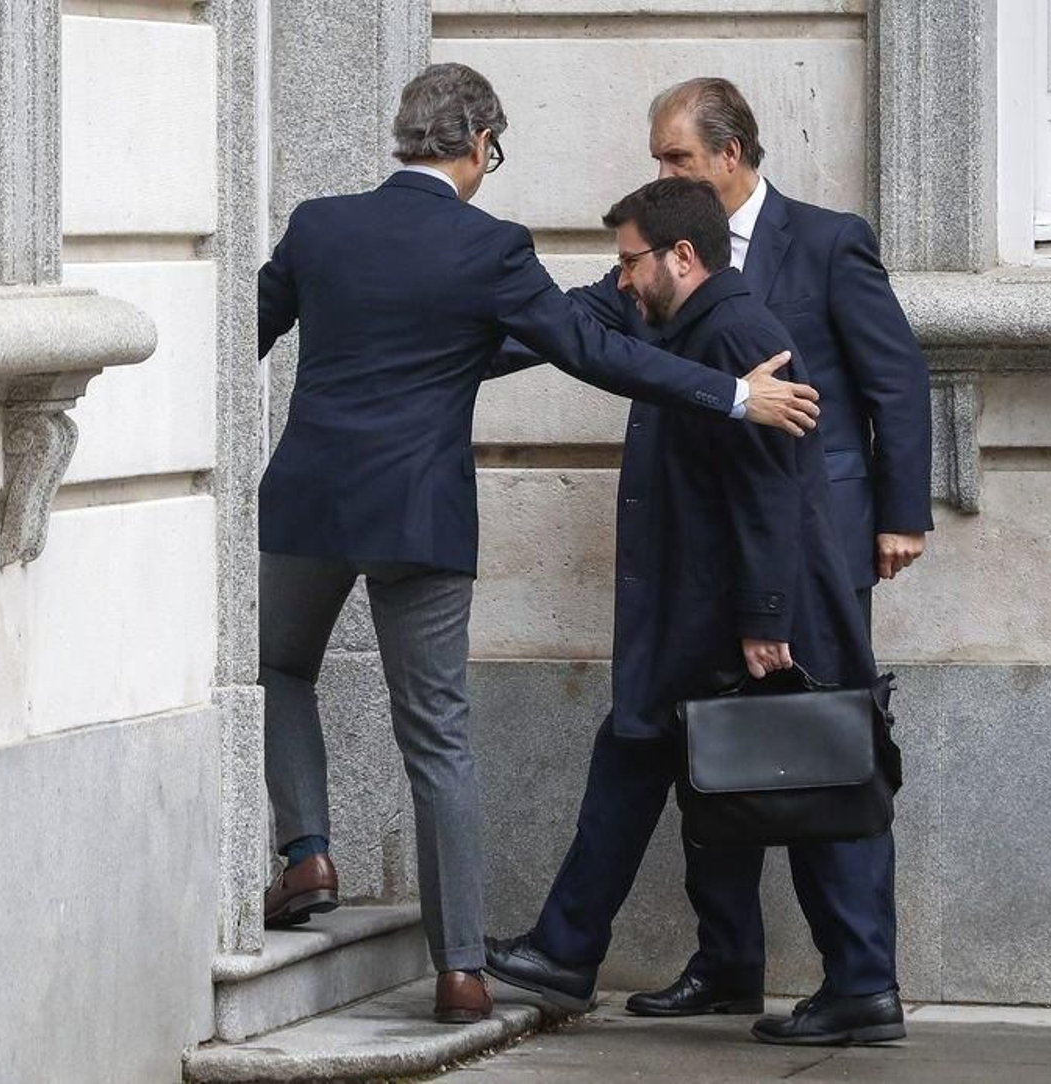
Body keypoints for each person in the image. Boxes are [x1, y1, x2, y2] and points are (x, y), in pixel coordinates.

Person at [256, 62, 821, 1026]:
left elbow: (244, 337)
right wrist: (735, 394)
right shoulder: (491, 247)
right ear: (481, 145)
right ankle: (463, 971)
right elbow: (589, 351)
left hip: (306, 503)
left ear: (405, 137)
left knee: (280, 670)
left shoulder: (319, 225)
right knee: (437, 739)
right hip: (422, 520)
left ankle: (307, 848)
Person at [500, 76, 932, 1019]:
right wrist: (446, 325)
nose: (659, 169)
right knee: (693, 745)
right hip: (703, 560)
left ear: (730, 155)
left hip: (793, 555)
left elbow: (891, 382)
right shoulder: (653, 271)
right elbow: (580, 324)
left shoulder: (821, 245)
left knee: (817, 750)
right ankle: (721, 959)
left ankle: (863, 980)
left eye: (676, 157)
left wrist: (900, 514)